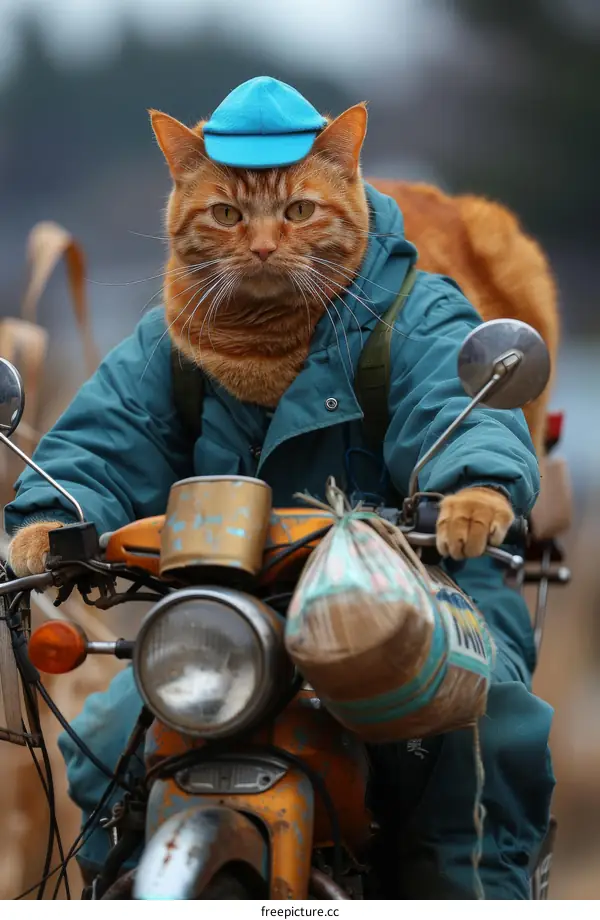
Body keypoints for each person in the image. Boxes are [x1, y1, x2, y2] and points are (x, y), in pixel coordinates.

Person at [4, 76, 554, 899]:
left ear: (348, 177)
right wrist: (56, 513)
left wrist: (474, 485)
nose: (263, 242)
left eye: (299, 211)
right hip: (237, 612)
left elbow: (454, 401)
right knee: (105, 744)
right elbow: (110, 435)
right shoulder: (176, 331)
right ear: (181, 197)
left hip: (426, 588)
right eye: (226, 215)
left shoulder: (407, 309)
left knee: (475, 737)